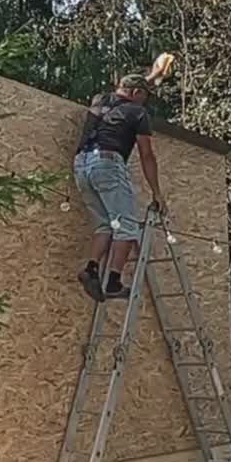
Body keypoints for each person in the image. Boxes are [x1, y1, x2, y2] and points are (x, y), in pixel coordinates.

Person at [74, 70, 166, 303]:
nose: (145, 102)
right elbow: (146, 155)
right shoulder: (137, 112)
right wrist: (157, 192)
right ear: (136, 94)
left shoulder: (99, 100)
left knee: (106, 225)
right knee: (126, 227)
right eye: (144, 96)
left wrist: (148, 78)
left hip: (81, 165)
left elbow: (123, 92)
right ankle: (113, 282)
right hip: (107, 163)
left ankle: (91, 270)